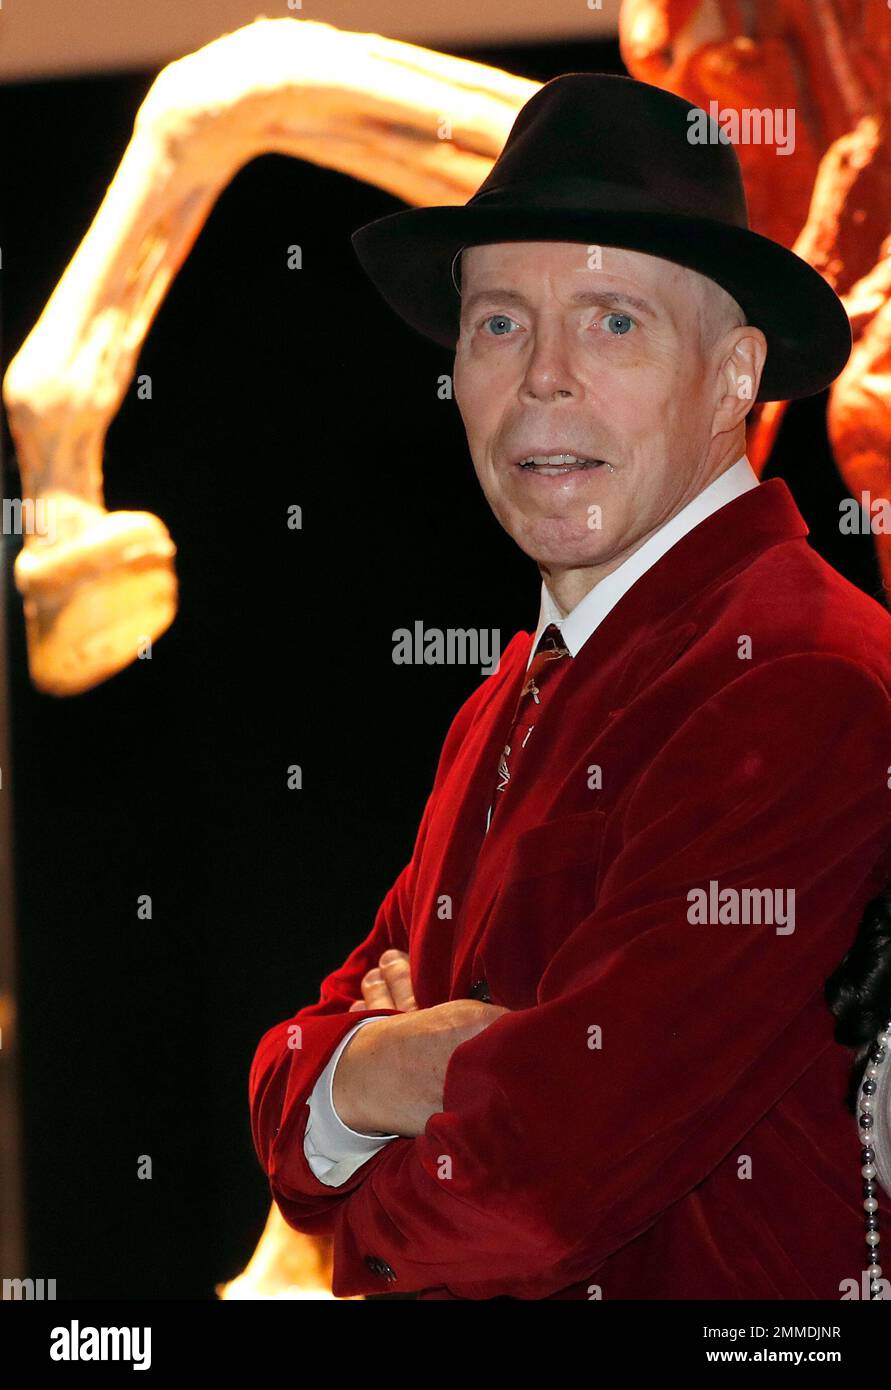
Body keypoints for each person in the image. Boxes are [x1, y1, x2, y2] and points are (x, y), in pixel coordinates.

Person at [249, 72, 891, 1300]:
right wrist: (387, 1066)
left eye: (612, 321)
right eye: (499, 322)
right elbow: (284, 1083)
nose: (543, 376)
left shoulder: (797, 677)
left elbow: (532, 1194)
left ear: (732, 377)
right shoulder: (514, 693)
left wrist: (381, 1137)